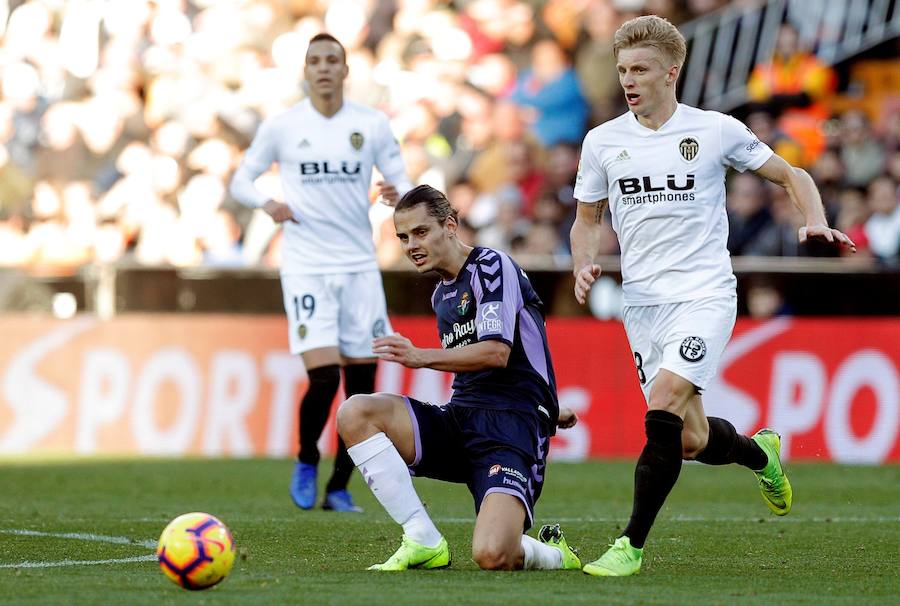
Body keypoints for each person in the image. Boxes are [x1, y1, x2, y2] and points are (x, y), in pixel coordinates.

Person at [570, 15, 856, 577]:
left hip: (704, 294)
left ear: (671, 71)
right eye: (622, 69)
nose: (628, 80)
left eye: (641, 69)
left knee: (665, 401)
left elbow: (793, 174)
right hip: (643, 305)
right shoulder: (602, 142)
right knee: (691, 439)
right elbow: (586, 219)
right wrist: (584, 261)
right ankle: (761, 453)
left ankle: (630, 545)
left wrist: (815, 218)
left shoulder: (715, 130)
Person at [336, 184, 581, 571]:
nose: (410, 244)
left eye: (421, 232)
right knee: (356, 412)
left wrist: (420, 357)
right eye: (403, 236)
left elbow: (496, 353)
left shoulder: (491, 266)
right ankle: (422, 537)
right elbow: (483, 363)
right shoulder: (441, 295)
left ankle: (554, 554)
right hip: (462, 418)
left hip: (511, 428)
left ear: (450, 226)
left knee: (492, 555)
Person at [230, 33, 413, 513]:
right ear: (305, 71)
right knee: (325, 377)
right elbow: (240, 178)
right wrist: (267, 202)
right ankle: (307, 457)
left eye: (333, 60)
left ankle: (338, 486)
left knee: (361, 390)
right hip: (307, 266)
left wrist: (401, 194)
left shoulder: (370, 125)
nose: (325, 68)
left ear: (346, 70)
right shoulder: (283, 125)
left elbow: (404, 176)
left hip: (358, 268)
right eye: (316, 61)